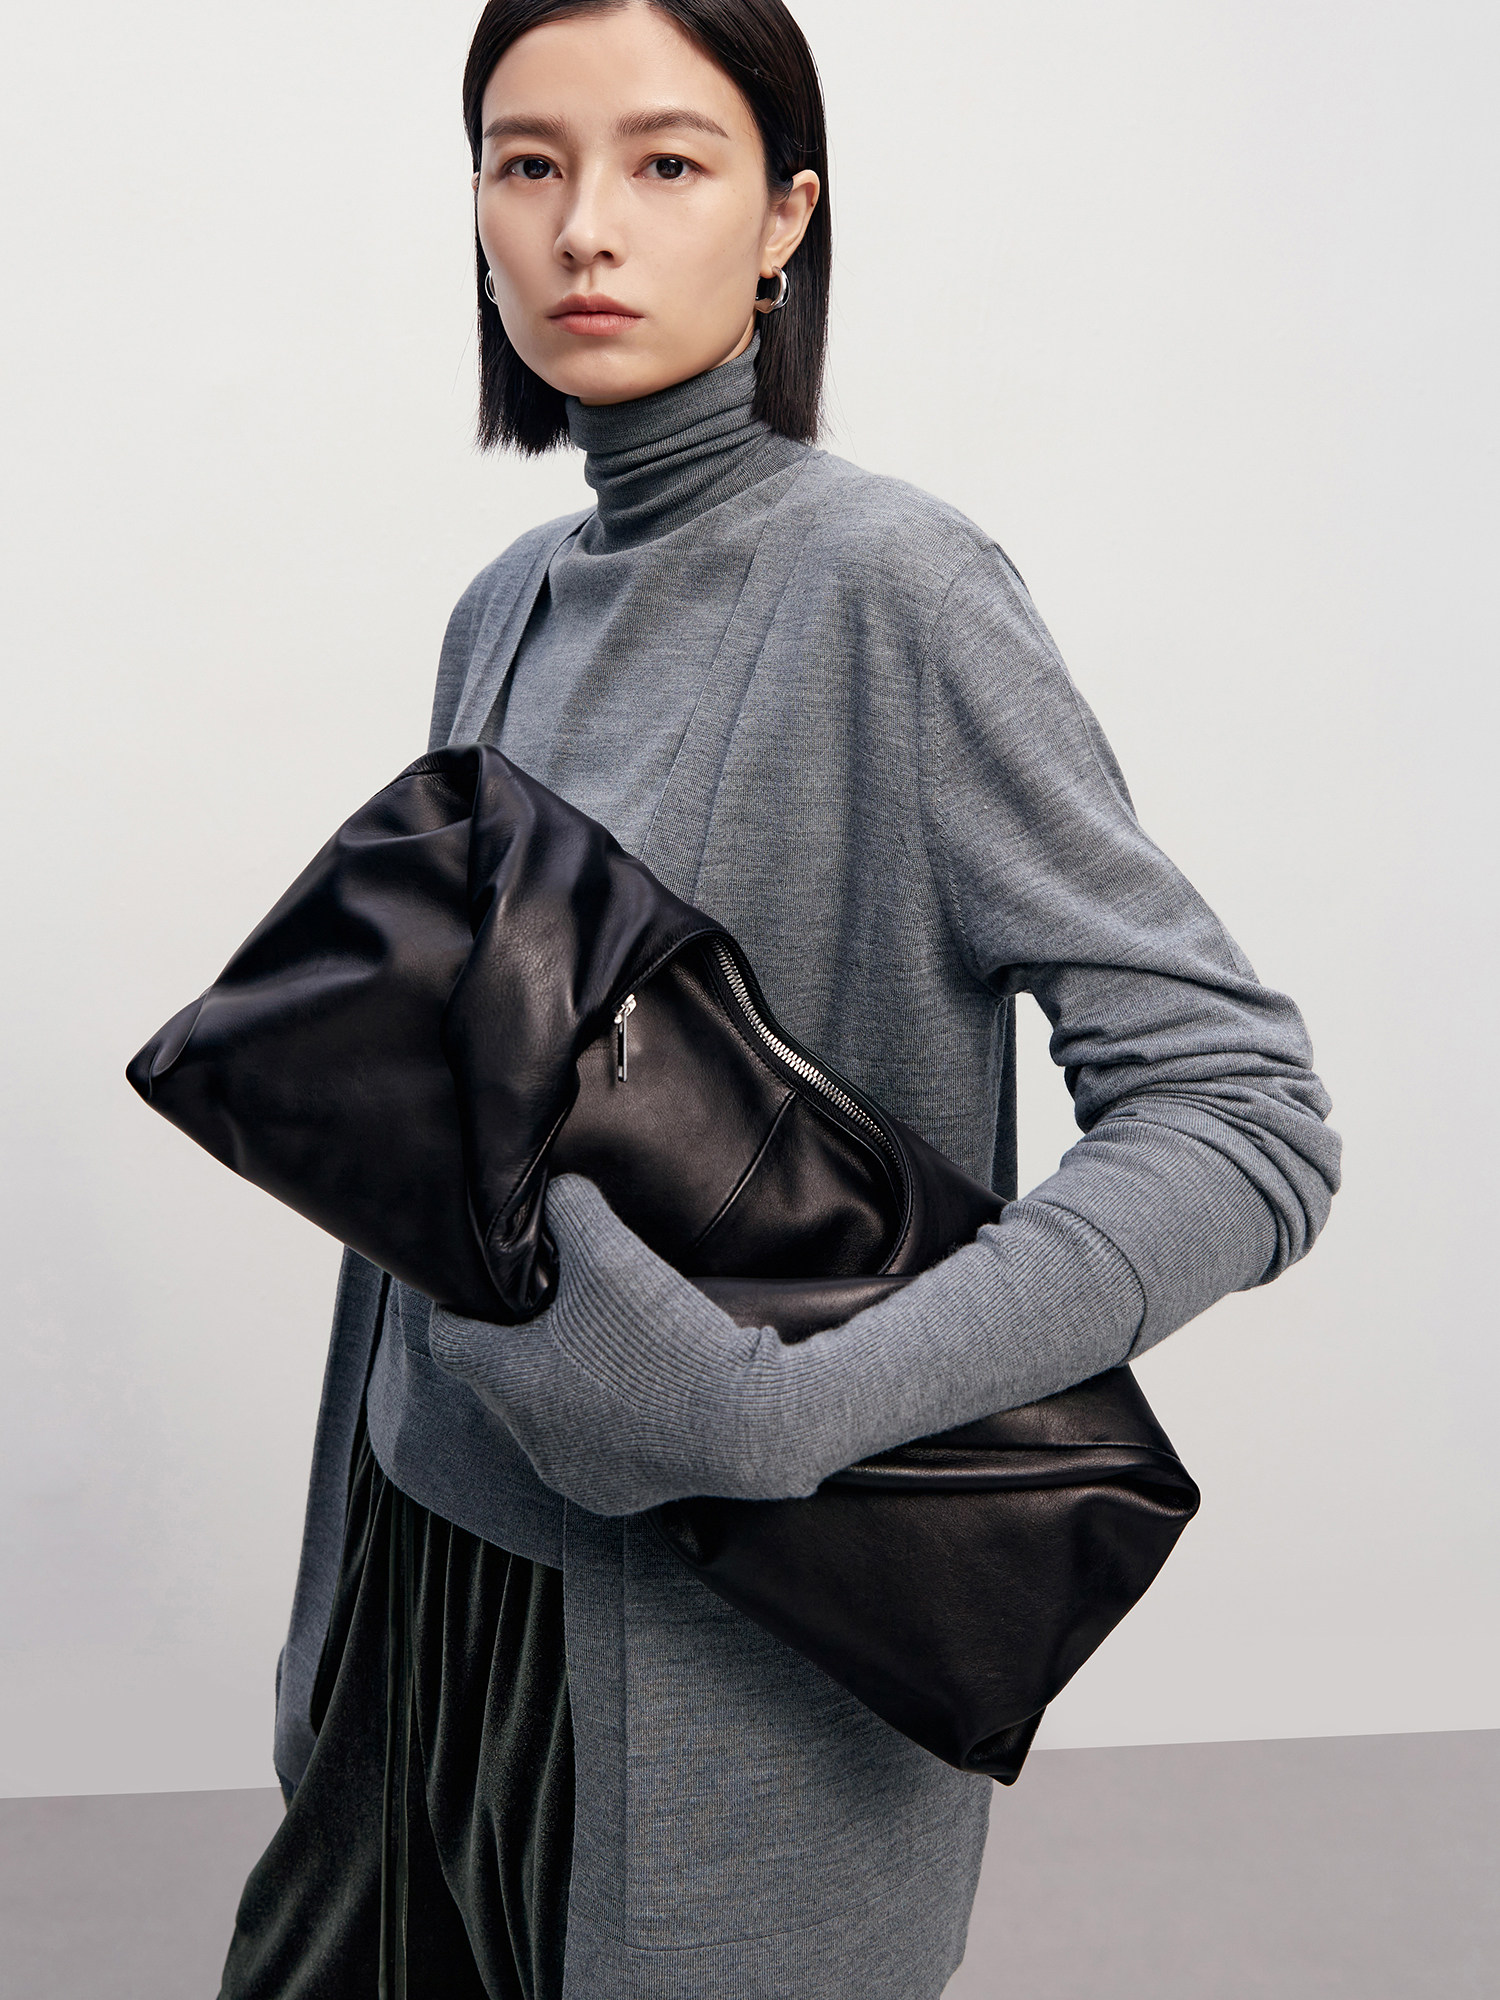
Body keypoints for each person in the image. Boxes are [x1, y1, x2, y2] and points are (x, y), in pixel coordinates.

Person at [218, 2, 1341, 1995]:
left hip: (693, 1680)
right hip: (422, 1613)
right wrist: (334, 1643)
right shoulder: (507, 604)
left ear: (783, 220)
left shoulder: (892, 587)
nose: (584, 225)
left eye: (667, 161)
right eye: (527, 162)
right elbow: (440, 1171)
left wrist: (787, 1408)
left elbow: (1242, 1119)